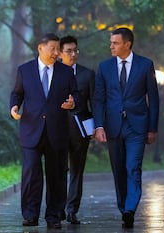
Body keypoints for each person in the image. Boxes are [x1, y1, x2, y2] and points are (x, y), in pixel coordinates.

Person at [9, 33, 78, 229]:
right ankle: (30, 215)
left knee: (56, 175)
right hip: (31, 130)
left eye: (58, 49)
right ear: (41, 48)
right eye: (53, 49)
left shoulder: (66, 72)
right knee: (31, 172)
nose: (56, 53)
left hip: (57, 132)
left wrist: (73, 102)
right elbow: (17, 93)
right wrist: (14, 107)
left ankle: (54, 216)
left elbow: (77, 95)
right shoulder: (25, 70)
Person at [92, 27, 159, 228]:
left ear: (127, 44)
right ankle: (123, 208)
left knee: (133, 167)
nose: (111, 46)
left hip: (137, 127)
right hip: (113, 127)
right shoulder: (104, 67)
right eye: (111, 42)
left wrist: (152, 128)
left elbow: (154, 98)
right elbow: (99, 99)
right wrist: (99, 125)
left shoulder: (145, 65)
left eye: (115, 43)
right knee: (118, 169)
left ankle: (130, 208)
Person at [59, 35, 95, 224]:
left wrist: (98, 126)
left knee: (77, 170)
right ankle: (58, 208)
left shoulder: (87, 74)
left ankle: (72, 209)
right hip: (57, 129)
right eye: (69, 51)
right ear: (60, 53)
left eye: (75, 50)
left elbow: (95, 102)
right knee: (58, 170)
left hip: (80, 130)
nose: (73, 54)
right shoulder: (53, 73)